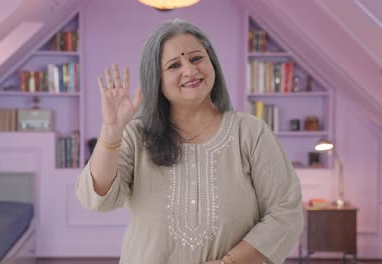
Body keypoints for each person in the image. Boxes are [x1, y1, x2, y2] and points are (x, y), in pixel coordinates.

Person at [75, 18, 303, 264]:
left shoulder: (249, 132)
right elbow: (97, 199)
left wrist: (228, 263)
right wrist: (111, 130)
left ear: (211, 62)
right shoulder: (137, 135)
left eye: (196, 58)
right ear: (157, 80)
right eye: (174, 65)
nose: (190, 70)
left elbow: (285, 212)